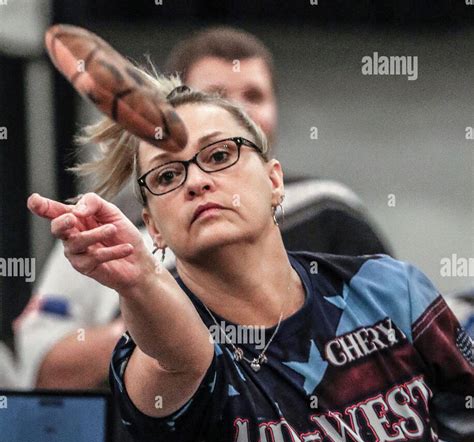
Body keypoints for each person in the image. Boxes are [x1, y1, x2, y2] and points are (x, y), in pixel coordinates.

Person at [27, 71, 474, 442]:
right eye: (166, 175)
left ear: (274, 181)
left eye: (218, 155)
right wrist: (134, 278)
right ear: (152, 226)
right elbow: (184, 353)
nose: (197, 181)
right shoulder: (148, 358)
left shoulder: (388, 292)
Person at [14, 25, 389, 392]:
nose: (239, 110)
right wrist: (154, 317)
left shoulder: (326, 209)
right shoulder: (105, 231)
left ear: (275, 183)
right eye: (217, 96)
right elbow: (42, 369)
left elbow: (395, 341)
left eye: (254, 96)